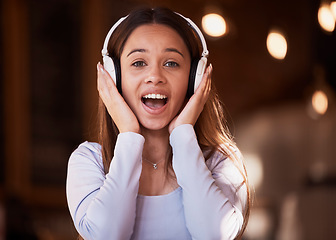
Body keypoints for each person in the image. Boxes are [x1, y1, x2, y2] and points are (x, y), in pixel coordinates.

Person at [66, 7, 250, 240]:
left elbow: (213, 235)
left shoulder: (221, 162)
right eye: (139, 63)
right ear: (114, 77)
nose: (155, 76)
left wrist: (183, 135)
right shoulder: (88, 162)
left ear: (194, 78)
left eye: (171, 63)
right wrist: (129, 135)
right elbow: (107, 236)